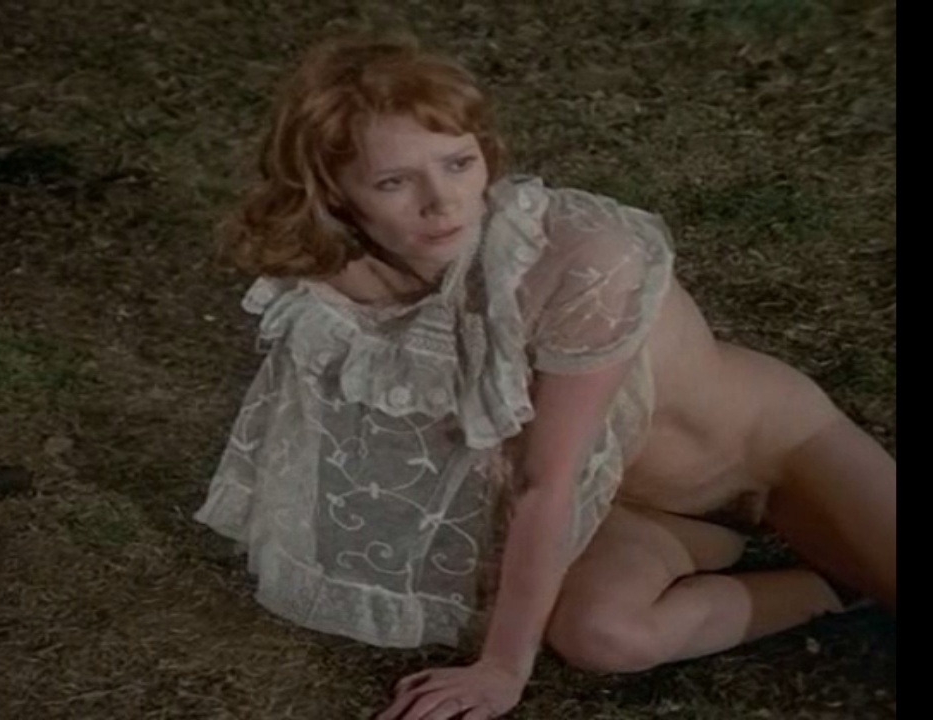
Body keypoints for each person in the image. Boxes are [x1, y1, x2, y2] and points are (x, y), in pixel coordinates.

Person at [193, 33, 895, 720]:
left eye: (459, 164)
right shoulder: (339, 293)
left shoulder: (580, 257)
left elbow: (545, 478)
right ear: (334, 194)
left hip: (770, 457)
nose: (442, 202)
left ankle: (836, 546)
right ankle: (829, 587)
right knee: (604, 637)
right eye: (394, 182)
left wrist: (503, 667)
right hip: (621, 505)